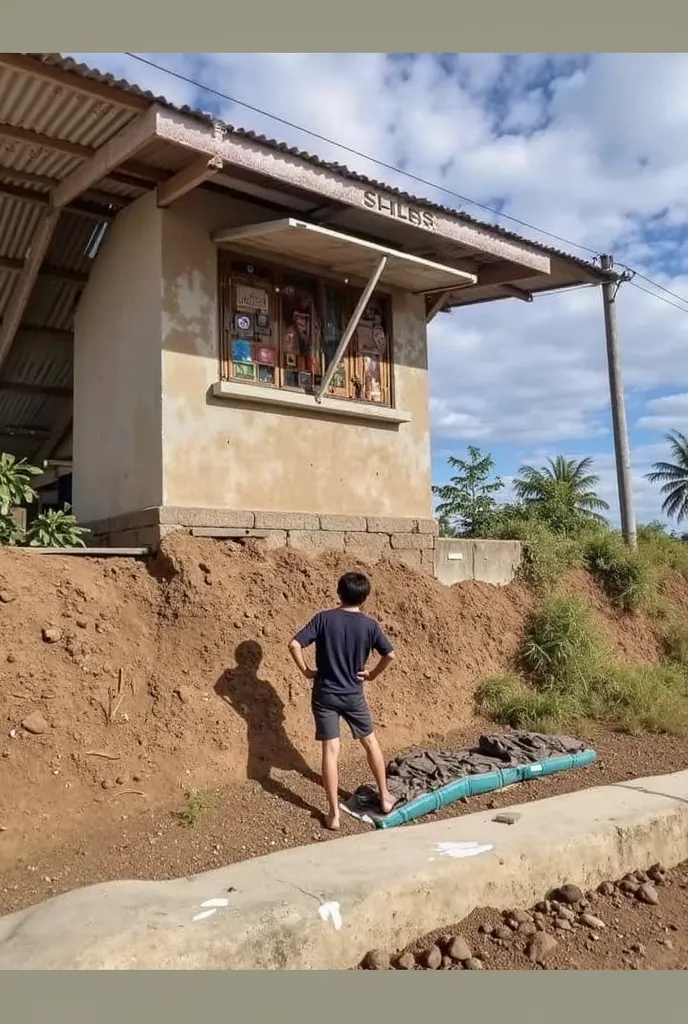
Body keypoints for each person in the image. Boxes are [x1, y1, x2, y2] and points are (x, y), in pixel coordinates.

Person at [288, 571, 397, 831]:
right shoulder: (369, 625)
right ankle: (384, 798)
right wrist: (371, 674)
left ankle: (334, 814)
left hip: (325, 693)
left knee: (330, 751)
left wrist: (306, 671)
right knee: (370, 742)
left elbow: (294, 644)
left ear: (339, 592)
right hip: (353, 695)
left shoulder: (324, 619)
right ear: (365, 597)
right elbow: (390, 655)